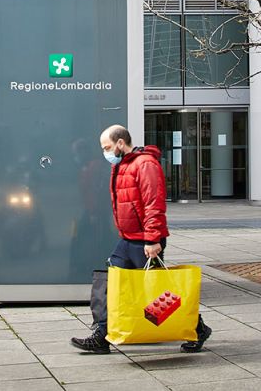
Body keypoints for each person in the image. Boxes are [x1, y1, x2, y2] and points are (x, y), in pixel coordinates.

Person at [70, 124, 212, 354]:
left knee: (158, 293)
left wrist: (153, 239)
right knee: (110, 283)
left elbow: (154, 203)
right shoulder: (124, 165)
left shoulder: (145, 164)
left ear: (120, 143)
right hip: (128, 239)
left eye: (107, 147)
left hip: (145, 240)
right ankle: (102, 335)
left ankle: (198, 327)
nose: (105, 153)